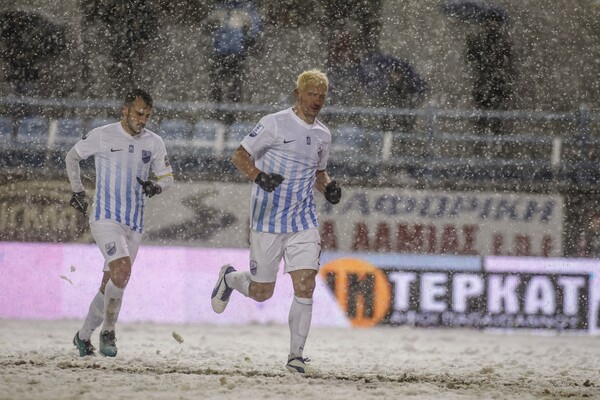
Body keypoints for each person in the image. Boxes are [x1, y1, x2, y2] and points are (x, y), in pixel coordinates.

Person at [210, 69, 342, 374]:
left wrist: (329, 186)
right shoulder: (274, 123)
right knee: (261, 292)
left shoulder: (323, 134)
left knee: (306, 284)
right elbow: (239, 156)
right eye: (311, 94)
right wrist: (259, 177)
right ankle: (229, 278)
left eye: (322, 96)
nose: (317, 101)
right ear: (298, 93)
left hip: (303, 221)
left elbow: (319, 174)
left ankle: (296, 356)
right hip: (267, 220)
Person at [65, 88, 174, 357]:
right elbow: (72, 157)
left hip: (134, 222)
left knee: (113, 282)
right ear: (124, 111)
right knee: (122, 270)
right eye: (139, 114)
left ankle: (82, 337)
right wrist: (77, 190)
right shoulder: (104, 134)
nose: (143, 120)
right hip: (105, 218)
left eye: (147, 115)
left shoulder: (154, 142)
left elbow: (168, 177)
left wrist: (156, 187)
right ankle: (109, 331)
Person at [202, 0, 262, 110]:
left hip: (235, 51)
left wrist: (248, 38)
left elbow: (255, 28)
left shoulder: (246, 8)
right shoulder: (221, 7)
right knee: (218, 83)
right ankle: (218, 111)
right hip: (221, 51)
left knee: (233, 84)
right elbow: (206, 25)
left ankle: (231, 113)